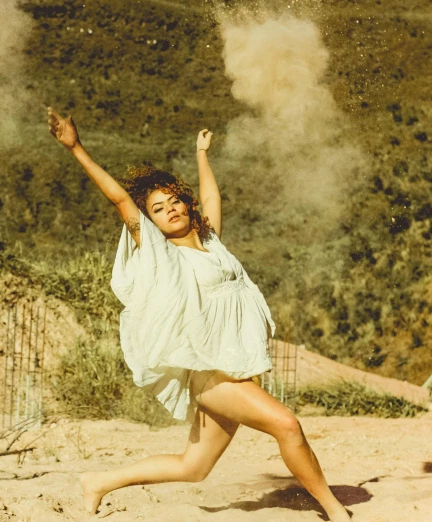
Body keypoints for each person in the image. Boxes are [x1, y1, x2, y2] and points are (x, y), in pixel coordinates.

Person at [47, 107, 351, 522]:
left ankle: (97, 482)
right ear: (149, 220)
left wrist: (201, 154)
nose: (170, 209)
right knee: (287, 425)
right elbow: (119, 199)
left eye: (174, 201)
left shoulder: (212, 242)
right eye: (158, 208)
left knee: (194, 467)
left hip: (238, 367)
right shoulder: (162, 256)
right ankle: (335, 510)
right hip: (212, 376)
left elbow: (212, 198)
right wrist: (76, 147)